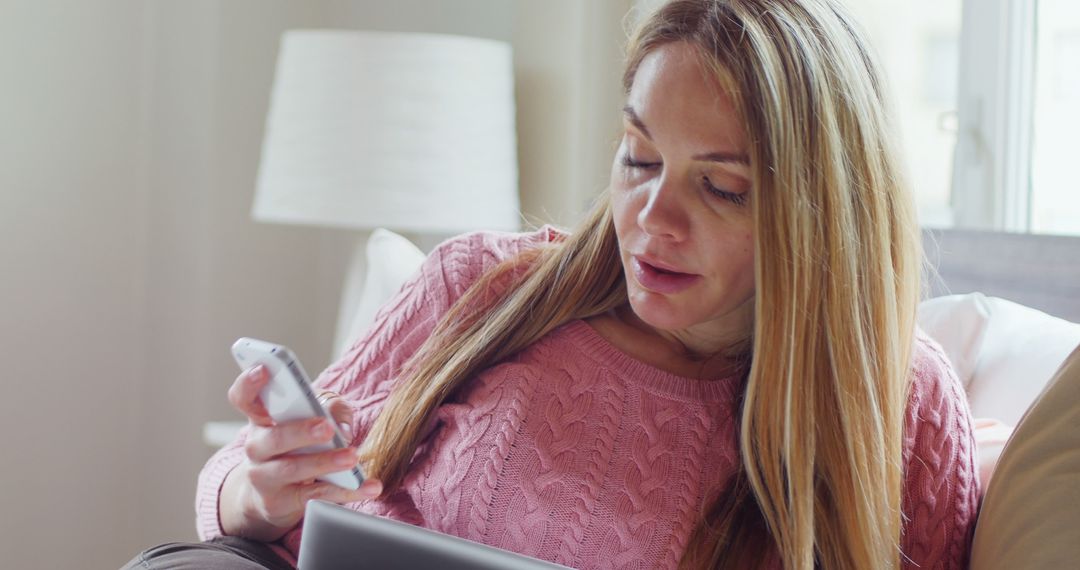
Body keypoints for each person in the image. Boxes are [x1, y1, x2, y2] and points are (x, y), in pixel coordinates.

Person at [123, 0, 979, 568]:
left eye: (722, 187)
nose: (652, 214)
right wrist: (259, 490)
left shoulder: (898, 407)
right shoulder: (484, 285)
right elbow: (234, 491)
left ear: (822, 213)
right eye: (639, 157)